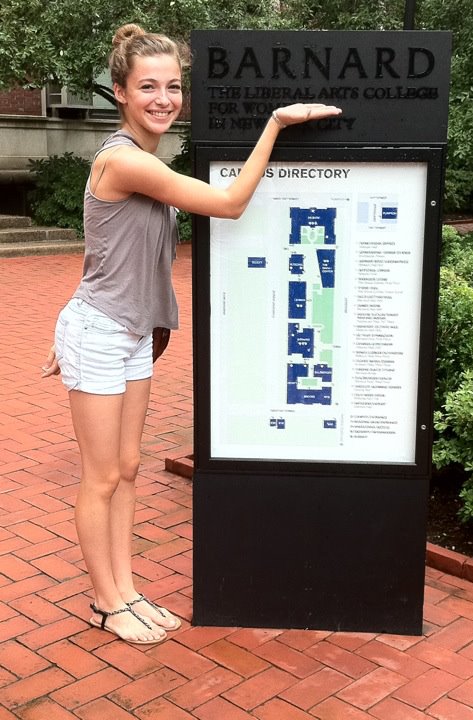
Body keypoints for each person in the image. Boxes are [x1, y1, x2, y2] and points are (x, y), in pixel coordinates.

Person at [41, 23, 342, 645]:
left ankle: (126, 589)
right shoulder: (124, 159)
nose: (163, 98)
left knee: (126, 468)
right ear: (120, 92)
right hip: (102, 332)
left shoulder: (145, 160)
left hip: (126, 331)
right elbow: (229, 203)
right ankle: (106, 601)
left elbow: (107, 252)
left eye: (173, 86)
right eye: (147, 86)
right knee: (100, 476)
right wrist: (276, 125)